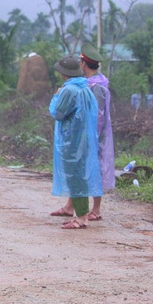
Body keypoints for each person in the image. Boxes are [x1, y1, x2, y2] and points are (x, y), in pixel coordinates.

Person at [51, 45, 115, 221]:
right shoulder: (92, 83)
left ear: (83, 64)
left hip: (90, 134)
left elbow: (97, 114)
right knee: (81, 171)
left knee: (88, 169)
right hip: (90, 134)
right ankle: (70, 207)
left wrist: (88, 137)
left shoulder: (95, 86)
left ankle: (95, 209)